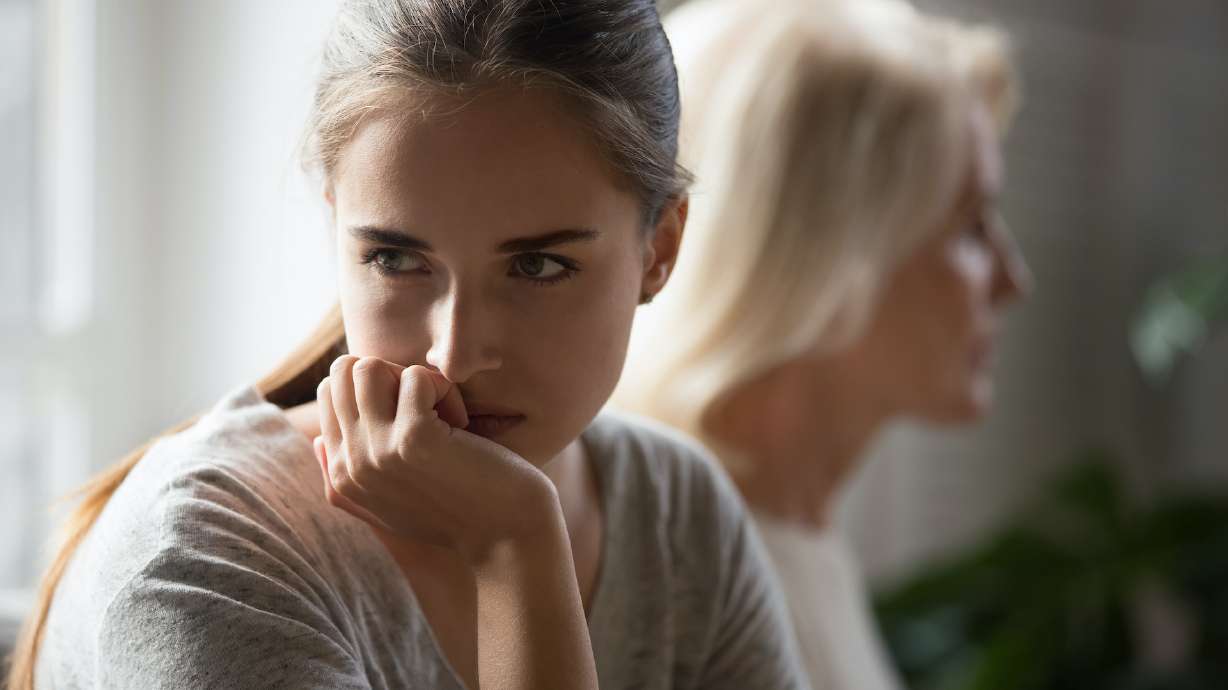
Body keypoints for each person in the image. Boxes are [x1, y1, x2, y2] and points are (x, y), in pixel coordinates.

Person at [8, 1, 811, 688]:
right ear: (337, 228)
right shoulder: (204, 564)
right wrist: (515, 548)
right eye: (395, 258)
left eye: (538, 265)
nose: (454, 357)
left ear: (659, 249)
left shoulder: (677, 514)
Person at [614, 1, 1034, 688]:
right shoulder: (671, 570)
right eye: (970, 225)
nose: (1014, 281)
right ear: (828, 254)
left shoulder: (794, 533)